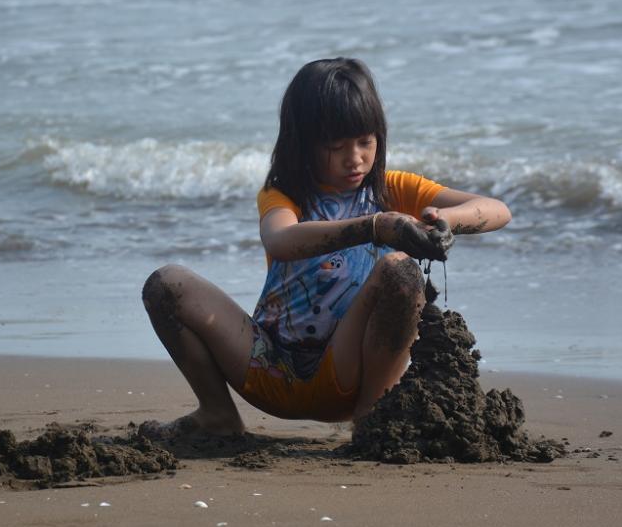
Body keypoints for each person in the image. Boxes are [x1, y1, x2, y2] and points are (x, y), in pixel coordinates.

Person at [141, 57, 511, 436]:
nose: (355, 159)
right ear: (303, 144)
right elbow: (281, 240)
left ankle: (373, 419)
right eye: (337, 146)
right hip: (268, 367)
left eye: (366, 142)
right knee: (167, 283)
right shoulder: (284, 194)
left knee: (400, 270)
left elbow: (498, 210)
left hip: (346, 372)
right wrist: (375, 227)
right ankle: (218, 413)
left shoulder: (393, 189)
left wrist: (449, 221)